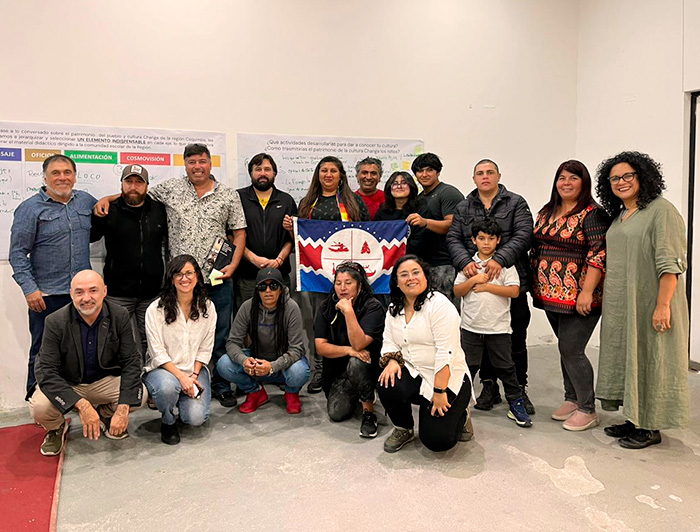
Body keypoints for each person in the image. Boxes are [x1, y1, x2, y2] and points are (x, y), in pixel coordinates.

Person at [95, 144, 246, 408]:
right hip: (181, 282)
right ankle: (172, 384)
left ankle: (220, 385)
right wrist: (107, 199)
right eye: (191, 162)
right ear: (185, 165)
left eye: (202, 161)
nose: (197, 166)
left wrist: (232, 265)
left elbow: (239, 232)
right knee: (175, 337)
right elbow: (134, 193)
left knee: (219, 335)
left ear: (211, 164)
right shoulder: (170, 189)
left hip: (217, 277)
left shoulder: (228, 194)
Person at [595, 151, 689, 449]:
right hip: (625, 303)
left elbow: (670, 263)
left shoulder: (662, 211)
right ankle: (634, 417)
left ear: (642, 177)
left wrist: (663, 305)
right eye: (614, 178)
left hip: (653, 300)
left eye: (627, 176)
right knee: (629, 358)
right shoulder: (622, 214)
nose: (621, 182)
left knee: (653, 358)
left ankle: (651, 427)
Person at [446, 158, 535, 414]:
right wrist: (465, 262)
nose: (485, 177)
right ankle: (488, 387)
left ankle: (519, 387)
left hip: (510, 278)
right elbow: (453, 237)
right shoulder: (463, 206)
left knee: (514, 338)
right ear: (473, 178)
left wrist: (500, 259)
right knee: (480, 339)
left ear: (498, 175)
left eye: (489, 172)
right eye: (479, 173)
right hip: (473, 280)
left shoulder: (516, 202)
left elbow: (524, 234)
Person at [29, 270, 144, 456]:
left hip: (103, 382)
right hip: (70, 384)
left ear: (104, 291)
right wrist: (82, 405)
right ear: (71, 293)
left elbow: (131, 360)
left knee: (140, 395)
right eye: (79, 292)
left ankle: (106, 414)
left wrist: (123, 409)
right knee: (39, 407)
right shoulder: (54, 321)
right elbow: (45, 370)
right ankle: (56, 428)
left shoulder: (119, 315)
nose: (86, 298)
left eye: (93, 290)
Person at [531, 160, 610, 431]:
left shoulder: (592, 213)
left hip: (580, 296)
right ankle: (572, 398)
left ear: (583, 182)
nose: (566, 183)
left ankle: (588, 409)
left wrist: (587, 291)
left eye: (573, 178)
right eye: (561, 178)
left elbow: (599, 253)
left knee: (572, 349)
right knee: (565, 349)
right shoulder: (547, 210)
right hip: (551, 295)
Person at [10, 154, 97, 399]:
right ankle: (39, 405)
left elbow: (106, 208)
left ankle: (78, 400)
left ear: (74, 176)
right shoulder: (30, 208)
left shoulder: (85, 202)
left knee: (83, 351)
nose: (62, 178)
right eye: (56, 173)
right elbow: (17, 253)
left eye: (67, 172)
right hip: (47, 296)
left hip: (82, 296)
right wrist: (29, 288)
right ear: (45, 177)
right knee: (42, 353)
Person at [282, 156, 370, 394]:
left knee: (352, 319)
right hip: (319, 275)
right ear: (317, 174)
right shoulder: (307, 202)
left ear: (341, 175)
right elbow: (300, 243)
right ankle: (320, 368)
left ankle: (351, 366)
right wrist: (293, 230)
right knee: (321, 320)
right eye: (324, 170)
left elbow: (367, 235)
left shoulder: (354, 202)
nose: (328, 174)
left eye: (333, 170)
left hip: (350, 278)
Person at [378, 255, 474, 453]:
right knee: (387, 382)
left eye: (416, 272)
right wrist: (392, 360)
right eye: (404, 275)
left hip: (446, 379)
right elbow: (388, 341)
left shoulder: (439, 305)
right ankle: (403, 427)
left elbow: (445, 352)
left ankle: (462, 414)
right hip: (415, 373)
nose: (410, 278)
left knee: (437, 441)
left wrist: (439, 392)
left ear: (425, 276)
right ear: (396, 282)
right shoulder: (393, 308)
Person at [454, 218, 532, 428]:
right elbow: (457, 291)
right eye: (481, 238)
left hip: (498, 328)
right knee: (467, 367)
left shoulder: (505, 265)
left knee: (506, 367)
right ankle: (459, 405)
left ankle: (515, 403)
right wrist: (473, 281)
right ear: (473, 240)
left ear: (498, 240)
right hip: (470, 327)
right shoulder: (468, 267)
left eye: (491, 238)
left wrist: (488, 287)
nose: (486, 243)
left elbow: (514, 291)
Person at [90, 164, 168, 359]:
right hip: (118, 293)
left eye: (139, 182)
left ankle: (150, 383)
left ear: (147, 186)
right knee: (118, 341)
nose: (133, 187)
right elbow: (91, 237)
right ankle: (125, 384)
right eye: (129, 182)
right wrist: (103, 202)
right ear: (122, 184)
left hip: (151, 293)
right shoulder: (108, 210)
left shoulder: (159, 210)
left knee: (151, 341)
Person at [143, 255, 217, 445]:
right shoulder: (155, 309)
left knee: (196, 418)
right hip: (163, 370)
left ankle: (182, 400)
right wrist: (181, 378)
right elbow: (156, 351)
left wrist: (193, 375)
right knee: (167, 388)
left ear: (198, 276)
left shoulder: (208, 308)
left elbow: (205, 348)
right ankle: (167, 420)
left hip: (194, 370)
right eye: (178, 274)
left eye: (189, 273)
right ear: (171, 279)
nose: (184, 278)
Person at [217, 268, 309, 414]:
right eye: (262, 286)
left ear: (281, 289)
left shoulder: (291, 307)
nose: (268, 291)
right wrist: (244, 360)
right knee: (223, 364)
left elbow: (296, 349)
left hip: (284, 364)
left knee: (299, 371)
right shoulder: (247, 307)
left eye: (273, 286)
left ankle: (292, 393)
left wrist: (272, 366)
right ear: (257, 290)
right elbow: (232, 342)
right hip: (257, 361)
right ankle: (255, 392)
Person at [314, 261, 384, 438]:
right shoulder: (326, 307)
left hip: (368, 366)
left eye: (348, 283)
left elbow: (359, 344)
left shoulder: (373, 306)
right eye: (338, 283)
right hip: (339, 371)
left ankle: (369, 411)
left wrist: (349, 312)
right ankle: (358, 392)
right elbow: (320, 347)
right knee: (337, 413)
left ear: (359, 285)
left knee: (356, 361)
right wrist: (347, 350)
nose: (342, 288)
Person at [236, 153, 298, 310]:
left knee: (281, 321)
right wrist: (254, 259)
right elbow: (231, 236)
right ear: (251, 173)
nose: (263, 173)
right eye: (258, 169)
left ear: (274, 173)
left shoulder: (286, 200)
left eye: (267, 169)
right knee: (247, 322)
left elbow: (293, 239)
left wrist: (279, 260)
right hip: (247, 276)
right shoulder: (238, 198)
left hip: (279, 275)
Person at [406, 153, 464, 300]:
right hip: (424, 264)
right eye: (420, 171)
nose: (424, 174)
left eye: (429, 170)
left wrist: (425, 222)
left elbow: (453, 225)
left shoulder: (448, 193)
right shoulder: (419, 198)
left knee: (445, 312)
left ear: (438, 172)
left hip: (445, 264)